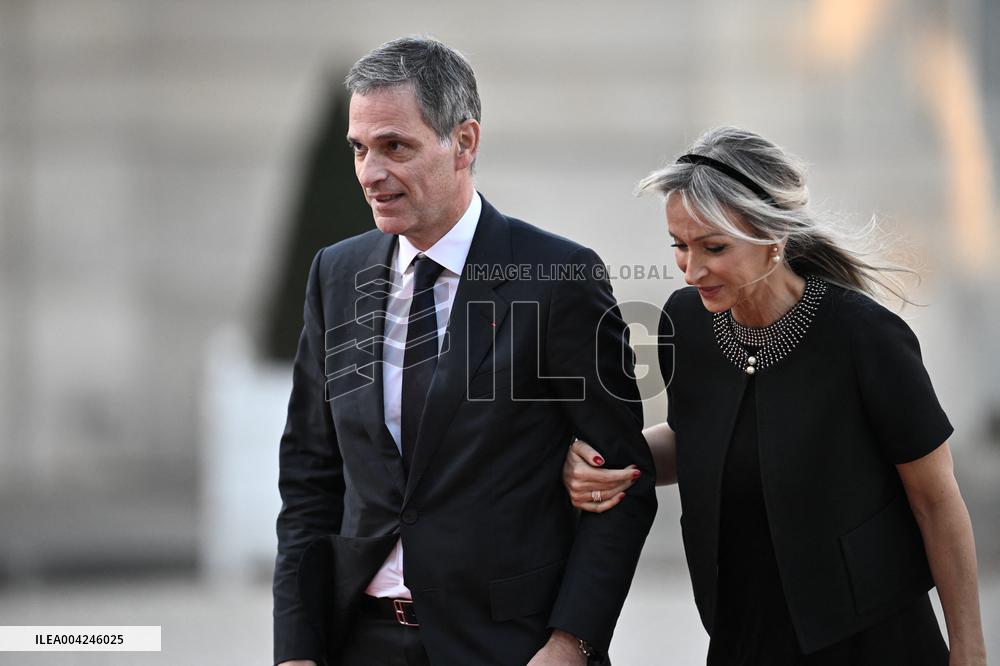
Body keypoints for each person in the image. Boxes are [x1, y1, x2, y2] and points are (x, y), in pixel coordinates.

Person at [272, 37, 657, 666]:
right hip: (359, 643)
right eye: (359, 148)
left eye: (395, 147)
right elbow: (309, 477)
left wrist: (572, 643)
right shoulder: (335, 274)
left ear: (465, 142)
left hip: (508, 646)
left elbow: (621, 485)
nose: (370, 173)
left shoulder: (559, 277)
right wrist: (296, 650)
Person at [563, 127, 987, 665]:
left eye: (714, 247)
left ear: (774, 236)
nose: (692, 270)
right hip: (743, 636)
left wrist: (969, 650)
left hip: (869, 641)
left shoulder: (864, 336)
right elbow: (699, 437)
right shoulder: (686, 322)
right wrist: (605, 461)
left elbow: (936, 501)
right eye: (679, 246)